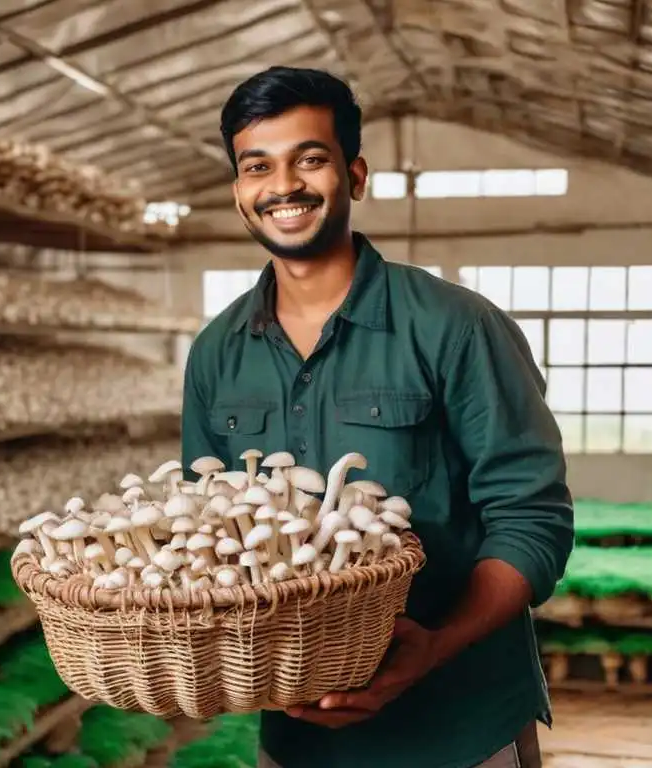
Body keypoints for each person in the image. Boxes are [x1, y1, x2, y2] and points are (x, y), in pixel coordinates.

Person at [178, 66, 575, 768]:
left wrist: (432, 648)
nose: (284, 186)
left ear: (354, 175)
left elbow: (533, 520)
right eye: (257, 167)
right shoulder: (216, 352)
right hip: (296, 738)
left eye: (310, 158)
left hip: (460, 728)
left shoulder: (457, 326)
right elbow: (209, 541)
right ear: (240, 191)